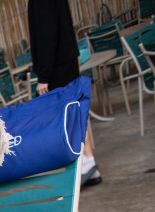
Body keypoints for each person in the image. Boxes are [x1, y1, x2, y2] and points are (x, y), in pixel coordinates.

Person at [27, 0, 101, 187]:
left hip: (57, 66)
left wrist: (43, 75)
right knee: (75, 110)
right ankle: (88, 162)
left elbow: (46, 34)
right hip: (65, 59)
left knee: (66, 115)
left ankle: (83, 162)